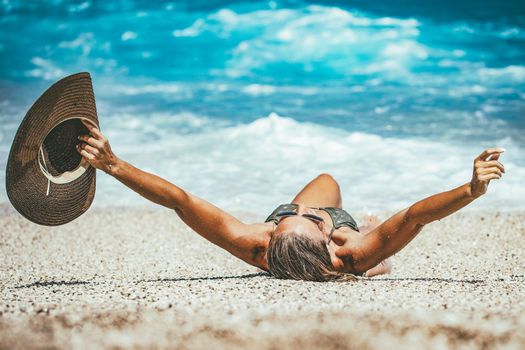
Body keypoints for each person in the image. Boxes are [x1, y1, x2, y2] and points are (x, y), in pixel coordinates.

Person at [76, 120, 506, 282]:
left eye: (291, 217)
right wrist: (469, 190)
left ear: (270, 239)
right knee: (379, 261)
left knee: (325, 178)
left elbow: (181, 201)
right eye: (305, 218)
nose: (305, 211)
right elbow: (416, 216)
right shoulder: (348, 255)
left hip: (305, 243)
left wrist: (114, 165)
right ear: (328, 241)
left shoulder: (253, 243)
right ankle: (373, 230)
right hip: (351, 241)